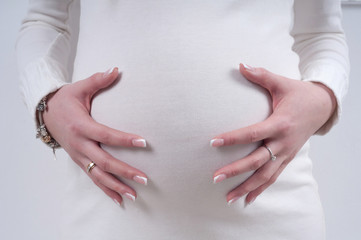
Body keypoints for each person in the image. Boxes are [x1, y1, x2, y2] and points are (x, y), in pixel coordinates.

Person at [16, 0, 349, 239]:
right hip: (109, 212)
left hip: (271, 210)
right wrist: (46, 102)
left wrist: (323, 96)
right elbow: (43, 21)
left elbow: (321, 34)